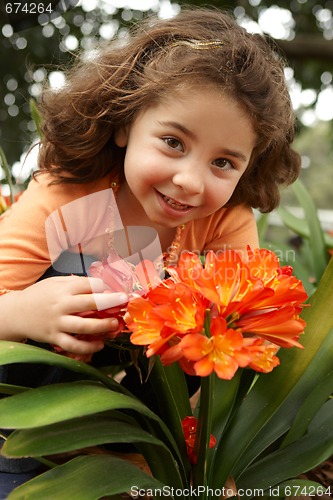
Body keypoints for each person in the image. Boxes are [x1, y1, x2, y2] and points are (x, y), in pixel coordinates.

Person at [0, 6, 300, 492]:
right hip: (24, 418)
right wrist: (19, 313)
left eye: (223, 161)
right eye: (173, 142)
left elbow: (243, 339)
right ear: (124, 125)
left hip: (138, 442)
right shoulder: (66, 196)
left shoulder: (228, 218)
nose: (190, 181)